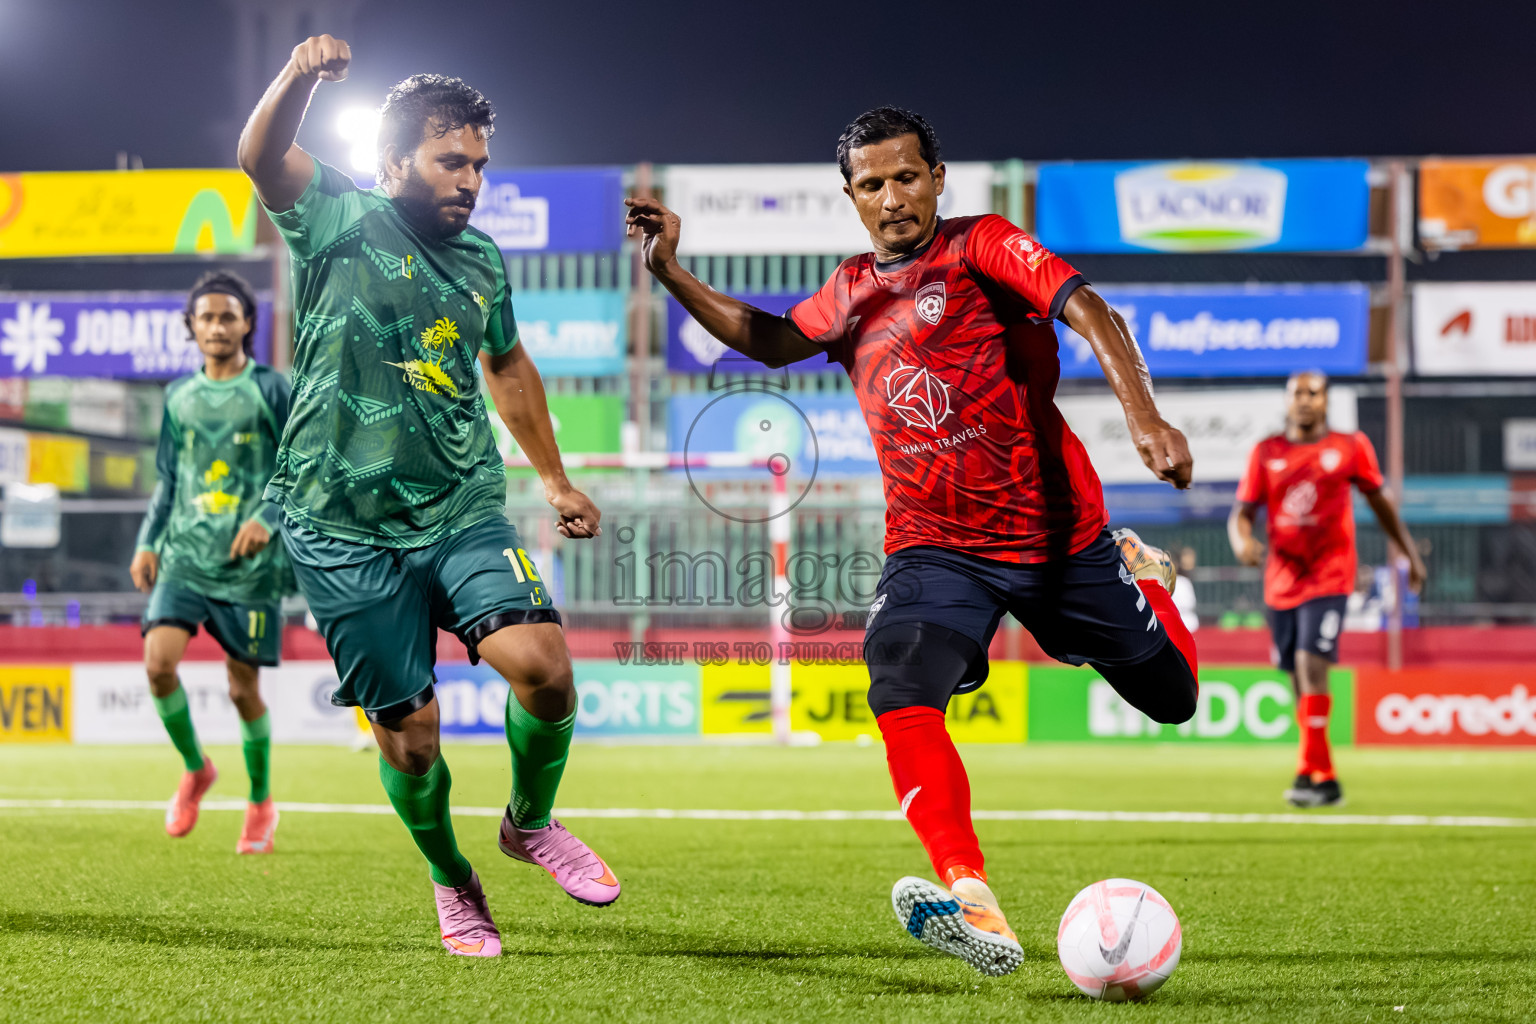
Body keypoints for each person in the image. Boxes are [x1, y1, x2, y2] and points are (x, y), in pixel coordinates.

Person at [627, 106, 1200, 977]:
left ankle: (1144, 575)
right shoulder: (849, 289)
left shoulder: (983, 247)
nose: (892, 198)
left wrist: (1145, 419)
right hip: (936, 549)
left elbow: (1089, 308)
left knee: (1173, 700)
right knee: (898, 679)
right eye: (872, 184)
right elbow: (771, 341)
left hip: (1058, 540)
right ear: (851, 196)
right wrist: (670, 271)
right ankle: (972, 895)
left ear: (937, 178)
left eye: (906, 177)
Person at [237, 35, 615, 958]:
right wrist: (298, 75)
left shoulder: (483, 260)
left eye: (479, 164)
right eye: (452, 161)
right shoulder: (337, 215)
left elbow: (507, 364)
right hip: (339, 527)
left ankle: (530, 822)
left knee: (546, 668)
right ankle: (453, 879)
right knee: (411, 740)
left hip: (461, 508)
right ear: (394, 159)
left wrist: (554, 477)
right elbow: (258, 157)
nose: (471, 180)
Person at [129, 270, 293, 854]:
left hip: (250, 567)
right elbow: (169, 479)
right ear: (192, 327)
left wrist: (267, 517)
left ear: (248, 323)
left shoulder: (272, 389)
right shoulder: (178, 395)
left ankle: (260, 802)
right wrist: (148, 541)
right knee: (157, 666)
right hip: (184, 557)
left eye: (228, 316)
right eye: (207, 317)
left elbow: (300, 464)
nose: (217, 326)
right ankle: (196, 769)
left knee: (242, 690)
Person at [1229, 370, 1426, 808]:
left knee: (1310, 663)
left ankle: (1311, 773)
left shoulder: (1350, 447)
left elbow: (1381, 503)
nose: (1304, 400)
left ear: (1326, 401)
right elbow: (1241, 513)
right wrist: (1242, 542)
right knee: (1297, 678)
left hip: (1330, 576)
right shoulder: (1266, 451)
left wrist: (1410, 555)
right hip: (1280, 581)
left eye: (1312, 393)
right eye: (1296, 393)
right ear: (1287, 401)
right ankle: (1321, 776)